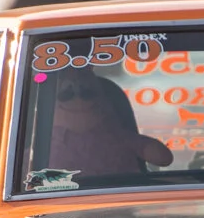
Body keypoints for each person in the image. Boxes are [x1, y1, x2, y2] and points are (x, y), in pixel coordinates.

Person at [39, 69, 171, 179]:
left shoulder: (120, 137)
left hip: (122, 194)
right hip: (64, 198)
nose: (79, 100)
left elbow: (163, 158)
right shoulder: (42, 145)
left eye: (87, 94)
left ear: (110, 104)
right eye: (66, 95)